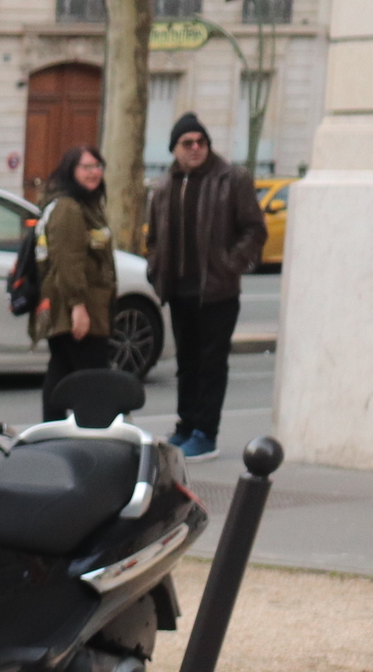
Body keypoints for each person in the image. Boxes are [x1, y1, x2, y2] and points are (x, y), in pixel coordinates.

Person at [143, 113, 266, 459]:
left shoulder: (232, 179)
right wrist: (156, 269)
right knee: (187, 363)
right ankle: (185, 426)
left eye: (201, 141)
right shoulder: (164, 187)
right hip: (179, 290)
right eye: (187, 143)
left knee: (211, 364)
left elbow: (254, 230)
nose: (196, 148)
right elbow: (152, 238)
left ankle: (205, 432)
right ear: (174, 149)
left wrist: (229, 266)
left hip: (217, 291)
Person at [33, 144, 118, 425]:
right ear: (71, 171)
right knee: (93, 377)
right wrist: (78, 307)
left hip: (79, 306)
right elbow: (69, 261)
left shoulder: (86, 205)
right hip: (77, 307)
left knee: (62, 370)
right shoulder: (69, 208)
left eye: (97, 166)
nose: (94, 172)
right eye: (86, 167)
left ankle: (52, 427)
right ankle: (96, 431)